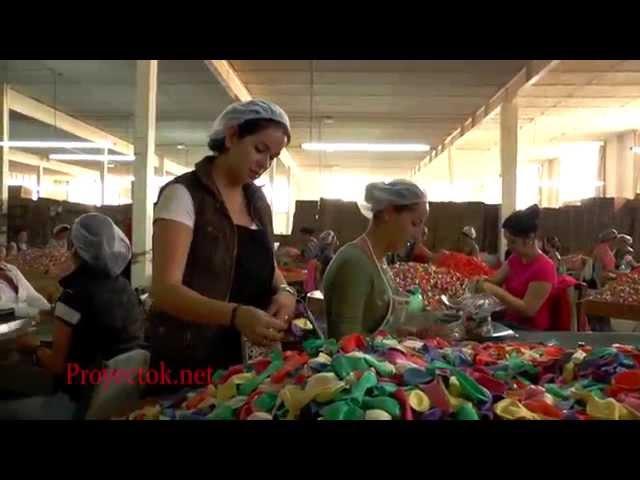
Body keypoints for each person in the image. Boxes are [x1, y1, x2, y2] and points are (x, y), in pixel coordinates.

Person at [149, 99, 296, 375]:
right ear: (231, 137)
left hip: (248, 357)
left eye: (272, 157)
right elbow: (165, 290)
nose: (264, 163)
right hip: (191, 356)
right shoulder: (183, 195)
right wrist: (235, 315)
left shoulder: (257, 200)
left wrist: (286, 292)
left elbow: (265, 263)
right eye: (259, 149)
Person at [0, 213, 144, 419]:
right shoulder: (124, 287)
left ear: (75, 249)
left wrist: (34, 348)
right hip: (116, 401)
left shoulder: (74, 295)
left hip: (76, 405)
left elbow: (57, 365)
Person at [323, 180, 428, 339]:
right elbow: (346, 342)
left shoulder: (379, 260)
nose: (417, 235)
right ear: (388, 212)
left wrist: (401, 335)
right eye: (415, 223)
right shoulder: (355, 263)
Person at [475, 205, 557, 330]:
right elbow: (494, 281)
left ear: (529, 238)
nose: (508, 246)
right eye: (507, 241)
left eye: (513, 242)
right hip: (509, 324)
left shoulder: (545, 268)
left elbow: (528, 309)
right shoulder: (515, 259)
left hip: (531, 331)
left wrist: (494, 290)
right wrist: (477, 281)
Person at [0, 244, 50, 313]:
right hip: (7, 320)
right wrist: (28, 312)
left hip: (25, 317)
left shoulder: (12, 269)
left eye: (2, 255)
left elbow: (31, 294)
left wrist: (48, 308)